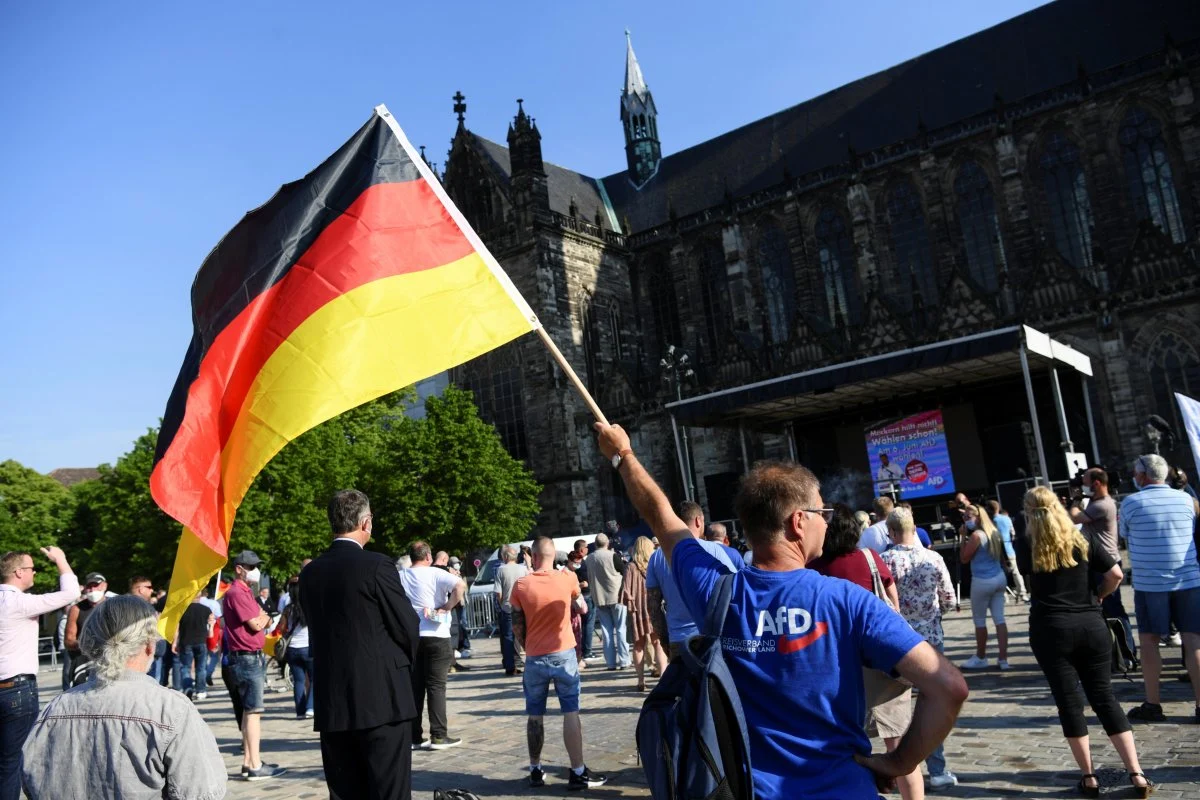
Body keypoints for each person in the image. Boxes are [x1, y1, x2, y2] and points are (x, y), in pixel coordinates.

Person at [595, 423, 968, 798]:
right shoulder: (847, 601)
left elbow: (662, 519)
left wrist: (623, 456)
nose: (827, 520)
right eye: (821, 509)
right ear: (798, 520)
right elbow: (948, 686)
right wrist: (900, 762)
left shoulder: (715, 591)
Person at [21, 595, 226, 799]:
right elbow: (202, 792)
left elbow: (33, 780)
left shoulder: (55, 708)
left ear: (91, 642)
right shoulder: (171, 710)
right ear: (149, 644)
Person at [1024, 486, 1154, 797]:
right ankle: (1136, 773)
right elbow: (1116, 574)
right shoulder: (1082, 540)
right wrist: (1098, 596)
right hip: (1090, 625)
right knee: (1105, 699)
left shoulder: (1028, 544)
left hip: (1050, 628)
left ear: (1029, 512)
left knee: (1069, 704)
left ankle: (1089, 776)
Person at [301, 489, 420, 799]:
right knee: (389, 791)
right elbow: (407, 626)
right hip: (382, 699)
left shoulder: (310, 573)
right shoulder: (377, 566)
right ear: (366, 523)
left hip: (333, 702)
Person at [811, 508, 920, 800]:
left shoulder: (815, 568)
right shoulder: (870, 557)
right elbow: (893, 605)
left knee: (851, 748)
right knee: (899, 747)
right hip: (882, 660)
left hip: (842, 667)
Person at [511, 536, 606, 789]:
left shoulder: (521, 585)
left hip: (535, 656)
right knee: (570, 711)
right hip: (564, 652)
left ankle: (535, 769)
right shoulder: (567, 579)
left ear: (532, 555)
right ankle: (577, 771)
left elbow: (516, 624)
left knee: (534, 715)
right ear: (554, 555)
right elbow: (579, 604)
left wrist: (528, 646)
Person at [881, 508, 959, 790]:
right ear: (914, 528)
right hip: (931, 640)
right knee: (932, 706)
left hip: (898, 643)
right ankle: (937, 769)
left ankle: (902, 771)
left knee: (897, 710)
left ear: (890, 531)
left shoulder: (884, 560)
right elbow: (949, 599)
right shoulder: (933, 557)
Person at [1120, 454, 1200, 723]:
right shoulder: (1188, 500)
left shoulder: (1131, 503)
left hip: (1150, 583)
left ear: (1142, 476)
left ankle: (1153, 704)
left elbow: (1125, 536)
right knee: (1193, 641)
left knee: (1150, 642)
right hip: (1188, 579)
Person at [0, 547, 78, 800]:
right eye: (32, 568)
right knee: (10, 762)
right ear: (19, 572)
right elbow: (70, 593)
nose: (34, 572)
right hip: (16, 689)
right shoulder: (21, 603)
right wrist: (61, 559)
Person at [221, 550, 286, 781]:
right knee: (254, 712)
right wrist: (268, 618)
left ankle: (249, 761)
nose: (254, 571)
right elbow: (257, 623)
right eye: (250, 567)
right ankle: (255, 764)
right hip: (246, 657)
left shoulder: (246, 591)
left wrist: (264, 616)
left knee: (250, 711)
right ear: (239, 568)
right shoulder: (237, 592)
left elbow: (261, 616)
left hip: (248, 656)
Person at [646, 500, 738, 661]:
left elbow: (653, 606)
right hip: (713, 639)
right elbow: (735, 592)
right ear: (698, 521)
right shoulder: (715, 550)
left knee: (683, 686)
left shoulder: (656, 557)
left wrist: (664, 641)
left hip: (679, 639)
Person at [399, 540, 467, 749]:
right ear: (428, 557)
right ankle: (438, 734)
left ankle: (413, 736)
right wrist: (446, 606)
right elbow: (460, 585)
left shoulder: (400, 575)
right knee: (436, 686)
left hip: (411, 636)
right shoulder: (435, 573)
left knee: (415, 687)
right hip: (436, 634)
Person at [1070, 468, 1135, 654]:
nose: (1083, 485)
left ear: (1096, 483)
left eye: (1085, 482)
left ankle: (1126, 652)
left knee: (1113, 609)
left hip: (1105, 564)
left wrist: (1075, 499)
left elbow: (1074, 517)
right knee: (1104, 610)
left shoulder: (1103, 505)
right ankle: (1116, 652)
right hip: (1099, 561)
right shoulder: (1096, 502)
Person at [959, 503, 1010, 670]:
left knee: (980, 621)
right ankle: (1003, 659)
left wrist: (962, 537)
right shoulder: (993, 531)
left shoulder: (977, 536)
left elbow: (964, 558)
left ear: (978, 517)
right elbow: (1001, 556)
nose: (966, 520)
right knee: (1000, 619)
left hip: (982, 580)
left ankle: (981, 656)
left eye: (968, 517)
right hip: (999, 577)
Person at [621, 536, 663, 691]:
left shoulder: (631, 567)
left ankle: (640, 681)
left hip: (637, 611)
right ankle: (663, 675)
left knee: (638, 646)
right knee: (657, 643)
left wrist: (630, 603)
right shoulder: (655, 565)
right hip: (653, 608)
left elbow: (626, 591)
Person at [584, 533, 630, 670]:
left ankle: (610, 663)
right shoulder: (612, 555)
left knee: (607, 631)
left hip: (599, 597)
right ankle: (624, 661)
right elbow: (624, 571)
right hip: (616, 596)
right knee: (621, 629)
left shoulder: (589, 558)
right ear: (607, 543)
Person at [64, 571, 109, 686]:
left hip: (109, 662)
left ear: (104, 586)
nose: (93, 589)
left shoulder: (113, 606)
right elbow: (68, 641)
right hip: (83, 663)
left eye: (96, 585)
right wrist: (90, 644)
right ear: (85, 588)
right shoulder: (77, 609)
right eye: (89, 586)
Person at [276, 580, 313, 719]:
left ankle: (300, 711)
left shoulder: (288, 609)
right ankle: (310, 708)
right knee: (314, 679)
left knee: (298, 681)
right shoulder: (309, 607)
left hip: (292, 649)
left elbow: (282, 628)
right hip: (308, 648)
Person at [173, 590, 213, 700]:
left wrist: (175, 642)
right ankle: (201, 691)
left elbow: (177, 629)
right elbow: (210, 626)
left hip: (186, 642)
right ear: (200, 597)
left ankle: (188, 687)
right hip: (201, 641)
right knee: (201, 668)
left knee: (185, 667)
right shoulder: (206, 609)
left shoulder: (182, 610)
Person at [494, 545, 527, 677]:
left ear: (505, 557)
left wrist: (502, 603)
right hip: (523, 607)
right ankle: (531, 664)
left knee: (508, 637)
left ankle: (510, 666)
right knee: (526, 636)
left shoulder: (500, 570)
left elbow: (498, 592)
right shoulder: (523, 569)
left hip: (508, 607)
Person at [986, 500, 1028, 601]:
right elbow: (1013, 533)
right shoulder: (1006, 518)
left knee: (1000, 574)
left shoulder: (991, 522)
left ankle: (1004, 595)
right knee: (1016, 572)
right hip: (1009, 548)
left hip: (997, 550)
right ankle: (1022, 592)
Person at [572, 539, 597, 661]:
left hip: (581, 596)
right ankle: (587, 652)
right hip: (586, 596)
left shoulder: (574, 562)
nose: (588, 549)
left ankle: (583, 651)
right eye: (586, 547)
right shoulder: (580, 563)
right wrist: (582, 584)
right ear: (582, 550)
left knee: (583, 625)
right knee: (588, 625)